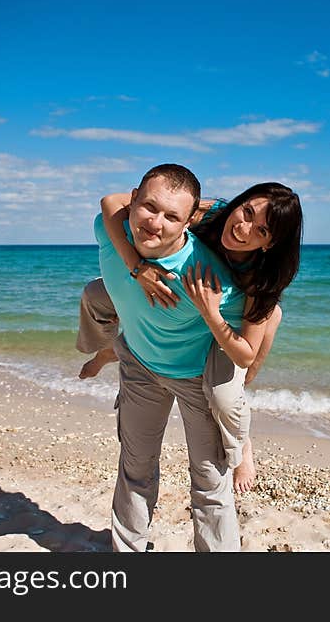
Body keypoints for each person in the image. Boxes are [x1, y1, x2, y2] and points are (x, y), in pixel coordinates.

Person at [77, 183, 303, 493]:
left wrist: (212, 314)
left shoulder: (258, 276)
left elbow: (246, 354)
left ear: (268, 244)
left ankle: (243, 446)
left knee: (229, 393)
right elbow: (111, 201)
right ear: (238, 203)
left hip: (229, 314)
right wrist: (137, 266)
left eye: (260, 231)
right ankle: (106, 352)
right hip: (172, 290)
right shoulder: (212, 213)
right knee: (94, 294)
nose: (243, 227)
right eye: (246, 211)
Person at [93, 163, 245, 552]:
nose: (155, 223)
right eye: (148, 206)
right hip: (140, 366)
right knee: (135, 469)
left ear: (190, 221)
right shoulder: (110, 232)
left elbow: (249, 342)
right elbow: (107, 205)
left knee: (210, 483)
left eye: (171, 216)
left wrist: (241, 419)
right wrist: (137, 266)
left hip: (196, 378)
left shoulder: (209, 277)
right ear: (133, 201)